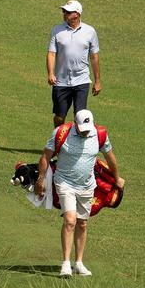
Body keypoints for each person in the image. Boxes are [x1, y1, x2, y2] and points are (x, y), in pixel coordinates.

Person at [34, 109, 124, 277]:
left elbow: (110, 157)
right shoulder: (61, 133)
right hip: (64, 182)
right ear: (75, 124)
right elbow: (45, 156)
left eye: (87, 129)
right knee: (70, 220)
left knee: (82, 223)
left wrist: (117, 177)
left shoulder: (100, 134)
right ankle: (66, 263)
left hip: (87, 186)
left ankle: (79, 263)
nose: (85, 133)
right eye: (82, 129)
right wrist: (40, 179)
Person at [48, 0, 101, 127]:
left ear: (77, 14)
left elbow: (94, 57)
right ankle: (58, 140)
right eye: (64, 11)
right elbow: (51, 54)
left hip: (81, 80)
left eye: (67, 12)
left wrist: (97, 81)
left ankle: (76, 146)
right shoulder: (57, 30)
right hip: (61, 81)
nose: (64, 13)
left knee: (80, 116)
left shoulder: (90, 31)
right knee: (60, 116)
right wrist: (50, 73)